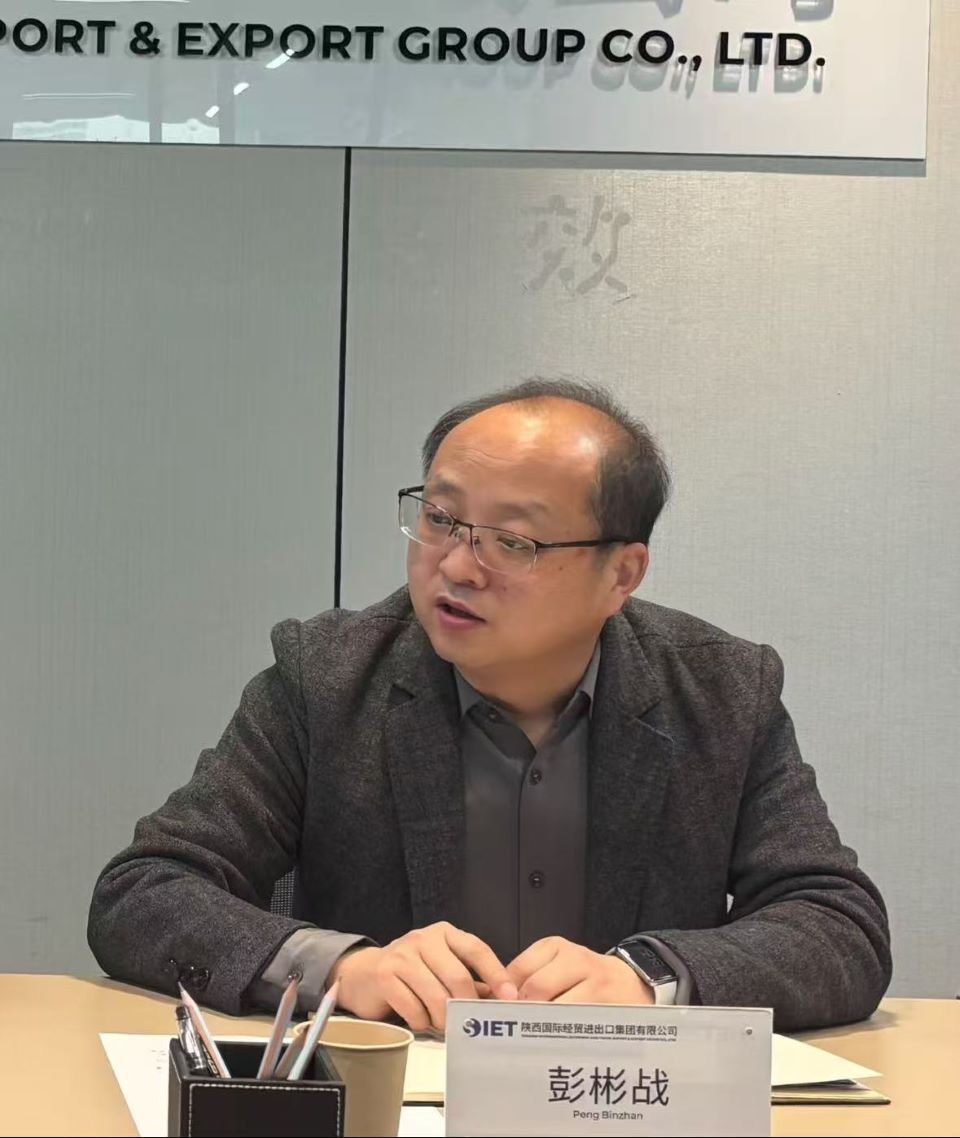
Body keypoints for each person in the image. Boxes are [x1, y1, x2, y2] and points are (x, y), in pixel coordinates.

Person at [88, 379, 891, 1033]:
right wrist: (345, 967)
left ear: (622, 573)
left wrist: (651, 981)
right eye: (441, 519)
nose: (457, 566)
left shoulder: (722, 693)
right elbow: (145, 891)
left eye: (514, 542)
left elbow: (838, 925)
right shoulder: (325, 678)